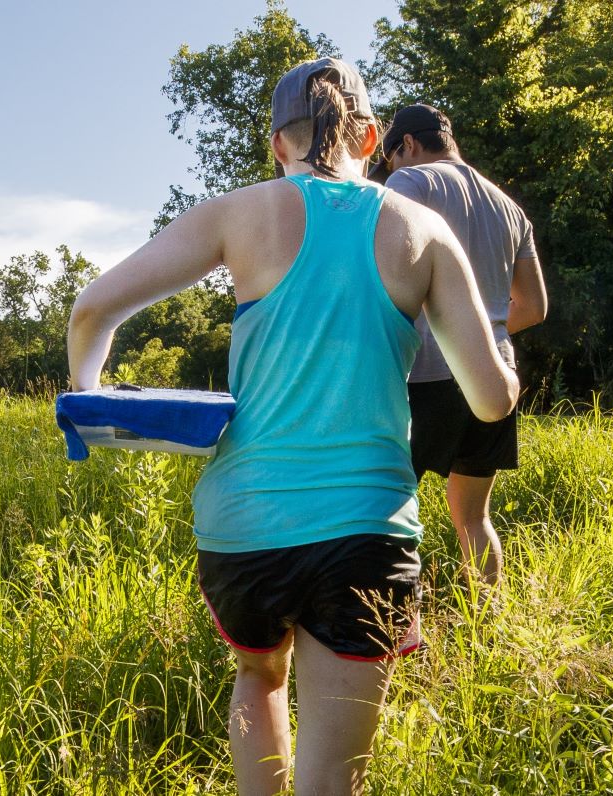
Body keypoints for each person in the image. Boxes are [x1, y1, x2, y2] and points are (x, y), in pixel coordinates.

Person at [65, 58, 516, 796]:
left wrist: (90, 399)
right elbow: (491, 401)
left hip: (242, 531)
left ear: (279, 144)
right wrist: (506, 364)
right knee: (332, 782)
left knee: (259, 673)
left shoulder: (236, 213)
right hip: (365, 532)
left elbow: (92, 310)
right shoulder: (423, 230)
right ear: (371, 138)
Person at [374, 103, 547, 587]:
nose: (391, 171)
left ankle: (394, 635)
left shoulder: (411, 184)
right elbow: (533, 307)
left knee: (383, 512)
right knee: (473, 518)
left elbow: (382, 277)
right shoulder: (509, 208)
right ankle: (486, 625)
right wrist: (479, 336)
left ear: (405, 145)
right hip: (494, 377)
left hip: (422, 377)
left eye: (389, 159)